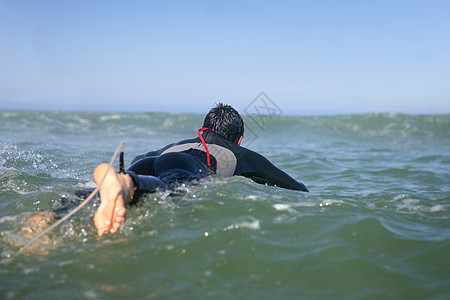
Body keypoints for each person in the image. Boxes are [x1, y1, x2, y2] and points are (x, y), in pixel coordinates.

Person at [93, 103, 308, 236]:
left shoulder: (173, 145)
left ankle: (114, 181)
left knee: (89, 199)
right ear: (239, 139)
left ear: (204, 128)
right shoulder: (239, 153)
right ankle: (124, 184)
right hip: (187, 167)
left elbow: (141, 158)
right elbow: (295, 187)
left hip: (149, 163)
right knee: (167, 187)